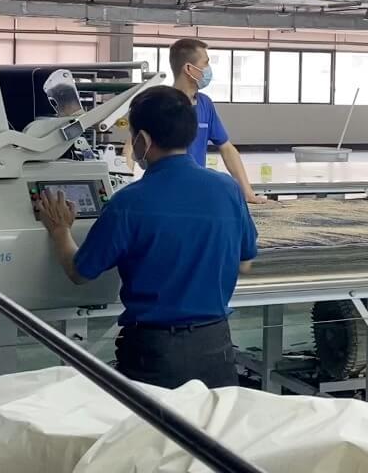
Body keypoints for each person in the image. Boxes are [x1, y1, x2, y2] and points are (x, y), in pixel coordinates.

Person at [36, 86, 258, 389]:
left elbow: (80, 272)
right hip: (216, 347)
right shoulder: (227, 189)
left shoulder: (129, 202)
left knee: (149, 420)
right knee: (208, 419)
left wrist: (60, 230)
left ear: (142, 140)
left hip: (155, 354)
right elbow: (245, 260)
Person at [166, 38, 269, 204]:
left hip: (197, 193)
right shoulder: (161, 103)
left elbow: (226, 148)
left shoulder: (205, 103)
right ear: (189, 69)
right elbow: (132, 146)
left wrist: (248, 192)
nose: (209, 69)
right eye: (206, 63)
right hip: (168, 193)